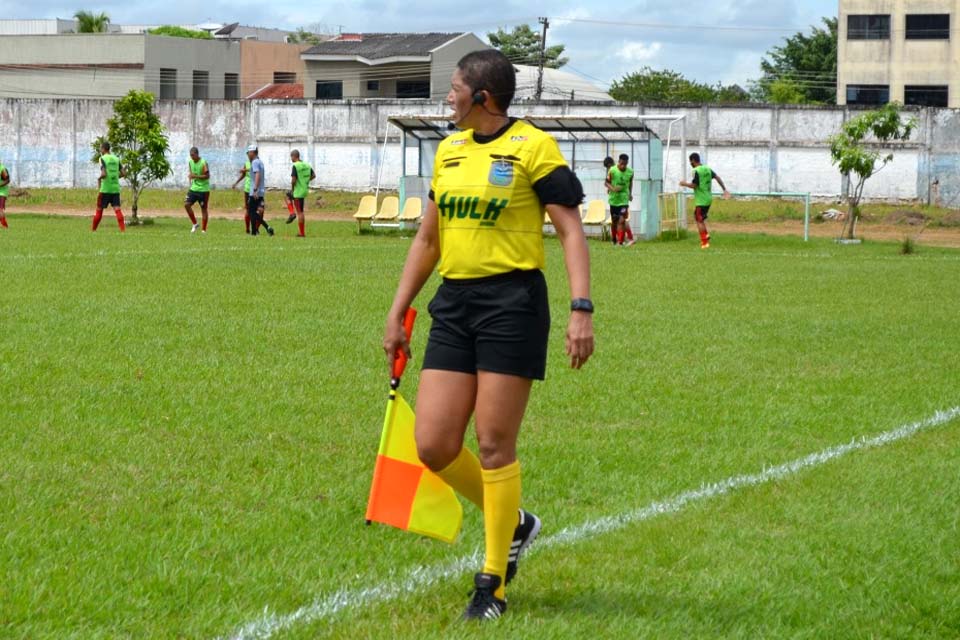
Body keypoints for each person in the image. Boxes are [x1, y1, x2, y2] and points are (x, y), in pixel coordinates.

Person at [382, 49, 594, 622]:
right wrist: (398, 310)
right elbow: (429, 239)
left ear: (481, 96)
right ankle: (517, 521)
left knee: (495, 443)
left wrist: (581, 308)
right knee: (434, 444)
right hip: (454, 304)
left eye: (454, 88)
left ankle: (492, 584)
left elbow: (570, 232)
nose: (447, 98)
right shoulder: (449, 151)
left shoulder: (533, 147)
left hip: (512, 304)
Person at [679, 152, 730, 249]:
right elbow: (717, 177)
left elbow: (694, 185)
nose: (690, 163)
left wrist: (684, 184)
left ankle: (704, 242)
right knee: (700, 218)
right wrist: (724, 189)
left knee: (698, 220)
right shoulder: (707, 169)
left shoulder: (696, 170)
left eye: (690, 161)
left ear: (693, 160)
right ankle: (706, 235)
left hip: (701, 200)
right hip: (708, 198)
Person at [93, 142, 126, 232]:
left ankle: (93, 230)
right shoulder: (116, 159)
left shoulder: (102, 158)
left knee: (99, 210)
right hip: (115, 189)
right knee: (117, 209)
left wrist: (99, 179)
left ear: (103, 149)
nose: (100, 150)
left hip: (105, 189)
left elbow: (104, 174)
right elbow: (123, 173)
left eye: (100, 148)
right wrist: (115, 176)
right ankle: (123, 230)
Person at [285, 149, 315, 237]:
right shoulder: (306, 165)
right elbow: (313, 175)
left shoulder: (295, 166)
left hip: (298, 191)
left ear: (294, 156)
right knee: (287, 197)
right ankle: (292, 213)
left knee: (300, 212)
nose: (291, 159)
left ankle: (301, 232)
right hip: (304, 190)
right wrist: (305, 181)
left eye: (291, 157)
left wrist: (292, 189)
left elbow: (293, 180)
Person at [245, 145, 274, 237]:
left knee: (251, 212)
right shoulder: (260, 162)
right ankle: (254, 232)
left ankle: (267, 227)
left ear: (252, 152)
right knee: (253, 213)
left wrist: (255, 189)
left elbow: (257, 174)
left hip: (255, 191)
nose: (248, 155)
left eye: (248, 153)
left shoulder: (254, 162)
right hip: (260, 191)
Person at [606, 154, 634, 246]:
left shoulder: (630, 172)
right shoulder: (612, 170)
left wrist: (630, 194)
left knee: (622, 220)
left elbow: (630, 183)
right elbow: (606, 183)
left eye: (625, 164)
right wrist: (613, 189)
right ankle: (614, 239)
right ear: (618, 161)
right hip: (614, 200)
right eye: (621, 164)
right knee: (614, 221)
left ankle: (621, 242)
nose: (623, 166)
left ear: (627, 163)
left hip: (624, 200)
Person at [184, 147, 211, 233]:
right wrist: (190, 177)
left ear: (197, 154)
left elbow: (207, 176)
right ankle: (195, 223)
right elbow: (191, 173)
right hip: (194, 188)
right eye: (190, 155)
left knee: (203, 209)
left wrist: (195, 176)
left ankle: (203, 230)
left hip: (203, 190)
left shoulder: (203, 163)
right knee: (186, 204)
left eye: (193, 155)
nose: (192, 157)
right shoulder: (190, 162)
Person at [232, 156, 253, 233]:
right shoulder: (246, 163)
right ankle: (247, 229)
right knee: (248, 208)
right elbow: (243, 174)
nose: (249, 156)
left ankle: (255, 229)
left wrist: (245, 170)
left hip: (255, 189)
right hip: (247, 189)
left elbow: (255, 170)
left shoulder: (257, 163)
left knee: (256, 209)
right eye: (248, 154)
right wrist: (236, 182)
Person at [0, 158, 9, 229]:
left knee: (0, 209)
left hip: (2, 192)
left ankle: (4, 225)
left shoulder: (2, 169)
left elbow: (7, 180)